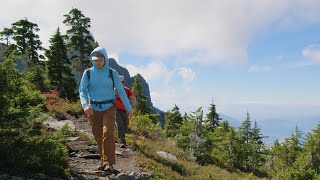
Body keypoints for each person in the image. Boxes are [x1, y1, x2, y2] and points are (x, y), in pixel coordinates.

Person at [79, 47, 132, 172]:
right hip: (93, 108)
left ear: (105, 59)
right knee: (98, 135)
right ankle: (103, 161)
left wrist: (128, 108)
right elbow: (82, 90)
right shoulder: (88, 73)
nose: (97, 62)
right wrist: (85, 105)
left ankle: (109, 163)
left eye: (100, 59)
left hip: (109, 107)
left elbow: (120, 91)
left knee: (108, 133)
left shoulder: (111, 73)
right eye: (95, 60)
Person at [115, 75, 137, 148]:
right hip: (116, 111)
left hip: (125, 111)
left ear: (124, 82)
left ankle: (120, 138)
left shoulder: (127, 90)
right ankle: (122, 142)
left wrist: (132, 106)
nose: (121, 83)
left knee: (125, 125)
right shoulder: (114, 90)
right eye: (119, 82)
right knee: (120, 125)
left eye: (122, 82)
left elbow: (133, 98)